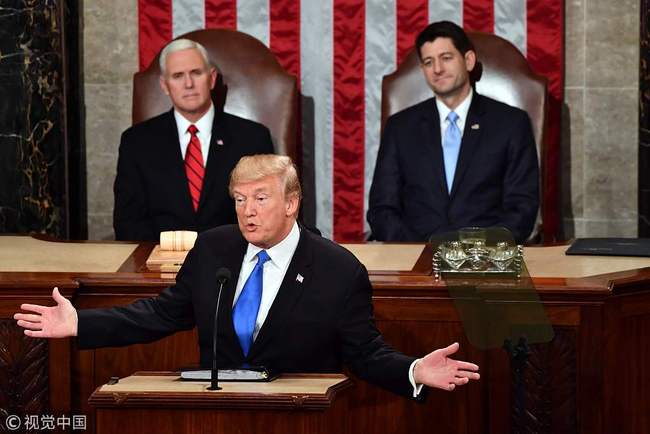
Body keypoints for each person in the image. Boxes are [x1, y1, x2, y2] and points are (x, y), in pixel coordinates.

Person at [15, 154, 479, 398]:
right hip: (213, 415)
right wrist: (82, 324)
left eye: (260, 198)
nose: (247, 212)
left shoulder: (338, 270)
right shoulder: (216, 246)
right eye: (239, 199)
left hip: (296, 419)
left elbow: (366, 353)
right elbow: (163, 313)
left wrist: (415, 370)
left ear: (292, 202)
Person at [367, 21, 539, 244]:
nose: (437, 69)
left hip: (486, 261)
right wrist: (419, 250)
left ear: (468, 60)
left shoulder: (511, 123)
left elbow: (522, 207)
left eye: (446, 58)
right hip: (415, 259)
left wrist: (478, 252)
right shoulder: (400, 127)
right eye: (429, 62)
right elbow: (382, 210)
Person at [113, 38, 274, 241]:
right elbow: (127, 223)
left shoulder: (252, 138)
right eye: (178, 76)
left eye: (196, 73)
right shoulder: (136, 142)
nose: (188, 84)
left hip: (232, 260)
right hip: (158, 262)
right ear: (164, 85)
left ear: (212, 78)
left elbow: (267, 215)